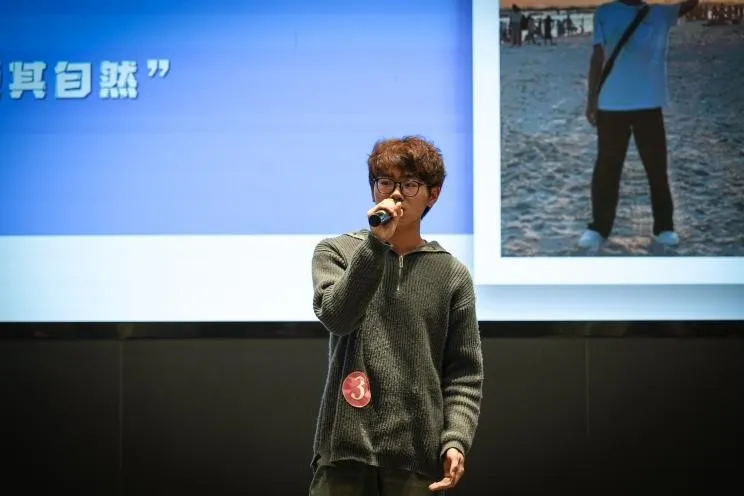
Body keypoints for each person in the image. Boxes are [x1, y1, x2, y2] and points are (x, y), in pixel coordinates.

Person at [308, 136, 484, 495]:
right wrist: (376, 244)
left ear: (433, 195)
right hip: (344, 456)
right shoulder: (337, 251)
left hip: (416, 460)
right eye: (385, 182)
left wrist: (455, 440)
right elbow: (337, 318)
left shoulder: (451, 274)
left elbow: (464, 374)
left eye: (410, 184)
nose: (396, 194)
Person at [580, 0, 699, 249]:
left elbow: (691, 3)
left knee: (656, 168)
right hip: (612, 104)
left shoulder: (660, 13)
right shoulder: (605, 12)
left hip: (649, 103)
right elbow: (597, 57)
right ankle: (599, 228)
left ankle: (664, 227)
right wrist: (591, 99)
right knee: (607, 169)